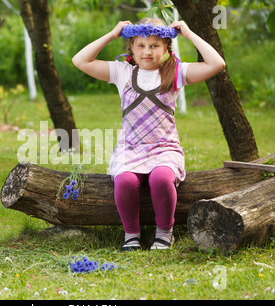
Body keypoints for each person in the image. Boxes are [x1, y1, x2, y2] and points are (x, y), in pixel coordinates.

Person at [72, 18, 225, 251]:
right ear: (131, 47)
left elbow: (217, 63)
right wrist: (113, 34)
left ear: (166, 48)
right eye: (141, 45)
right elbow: (79, 60)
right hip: (130, 148)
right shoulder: (122, 72)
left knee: (161, 179)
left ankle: (164, 232)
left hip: (164, 149)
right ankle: (131, 235)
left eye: (155, 46)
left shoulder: (175, 73)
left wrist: (189, 33)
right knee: (124, 181)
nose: (147, 51)